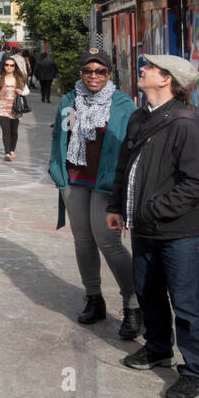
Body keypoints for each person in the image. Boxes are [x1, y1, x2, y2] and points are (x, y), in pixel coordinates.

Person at [107, 54, 199, 398]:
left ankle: (196, 374)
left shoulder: (185, 125)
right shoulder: (141, 117)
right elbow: (126, 166)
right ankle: (157, 349)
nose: (142, 70)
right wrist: (116, 206)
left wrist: (154, 209)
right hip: (145, 226)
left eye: (150, 68)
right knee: (148, 292)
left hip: (181, 231)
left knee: (185, 303)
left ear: (167, 80)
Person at [49, 50, 140, 337]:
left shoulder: (123, 105)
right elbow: (59, 137)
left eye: (100, 71)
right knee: (83, 242)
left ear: (109, 74)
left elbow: (131, 147)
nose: (93, 76)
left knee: (109, 243)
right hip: (74, 181)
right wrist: (57, 172)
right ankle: (94, 298)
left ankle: (133, 305)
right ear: (80, 72)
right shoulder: (68, 101)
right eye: (88, 70)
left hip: (106, 184)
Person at [0, 53, 29, 160]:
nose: (9, 67)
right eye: (7, 65)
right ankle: (7, 153)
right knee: (6, 131)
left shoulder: (19, 79)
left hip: (15, 109)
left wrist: (21, 92)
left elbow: (27, 90)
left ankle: (12, 150)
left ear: (15, 67)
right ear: (4, 66)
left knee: (13, 132)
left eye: (11, 65)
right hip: (2, 109)